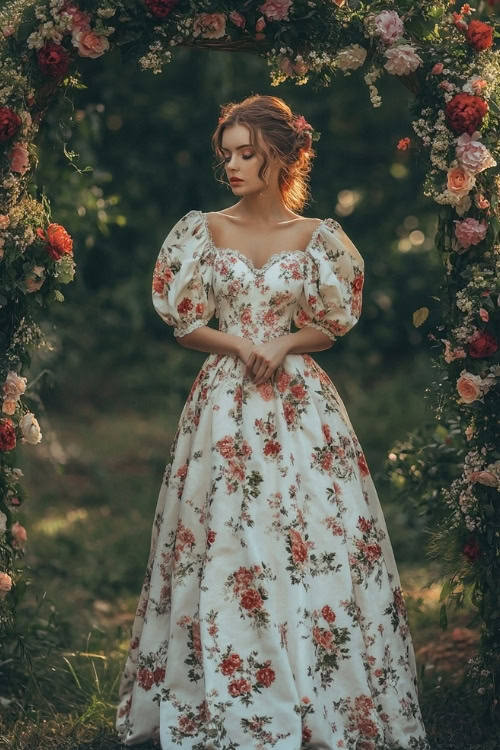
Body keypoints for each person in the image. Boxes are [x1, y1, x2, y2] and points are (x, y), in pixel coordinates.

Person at [115, 94, 430, 750]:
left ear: (280, 157)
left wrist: (284, 344)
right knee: (225, 533)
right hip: (225, 402)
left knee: (308, 533)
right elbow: (186, 324)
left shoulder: (318, 239)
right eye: (225, 152)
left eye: (245, 153)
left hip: (299, 403)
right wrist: (241, 345)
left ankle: (316, 684)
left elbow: (329, 327)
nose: (231, 164)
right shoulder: (203, 229)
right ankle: (225, 688)